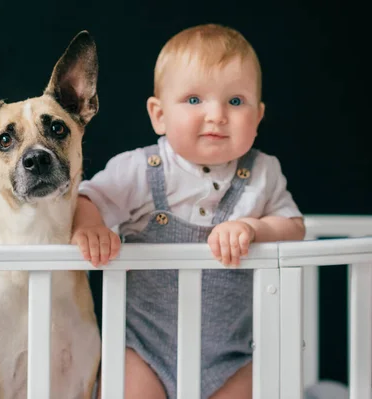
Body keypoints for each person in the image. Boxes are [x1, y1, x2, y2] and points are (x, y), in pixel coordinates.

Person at [72, 23, 306, 398]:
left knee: (264, 388)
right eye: (195, 100)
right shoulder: (139, 169)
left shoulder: (263, 172)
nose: (216, 114)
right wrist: (91, 228)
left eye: (235, 101)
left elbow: (294, 227)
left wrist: (254, 227)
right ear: (159, 115)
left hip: (231, 357)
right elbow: (87, 199)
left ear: (258, 118)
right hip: (144, 351)